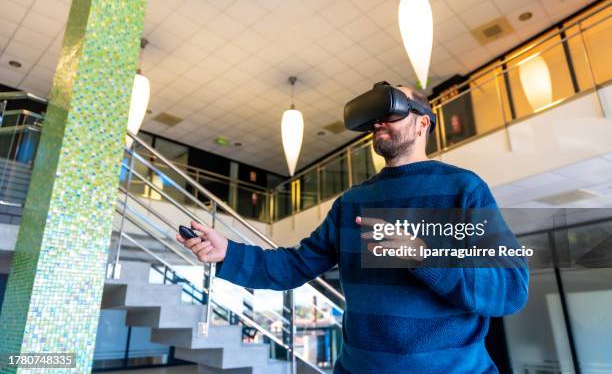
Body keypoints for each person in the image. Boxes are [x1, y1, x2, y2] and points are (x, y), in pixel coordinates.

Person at [176, 85, 529, 374]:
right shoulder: (352, 202)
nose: (378, 122)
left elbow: (511, 289)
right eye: (375, 117)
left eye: (392, 110)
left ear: (423, 123)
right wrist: (229, 253)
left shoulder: (463, 189)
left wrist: (424, 257)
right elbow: (296, 266)